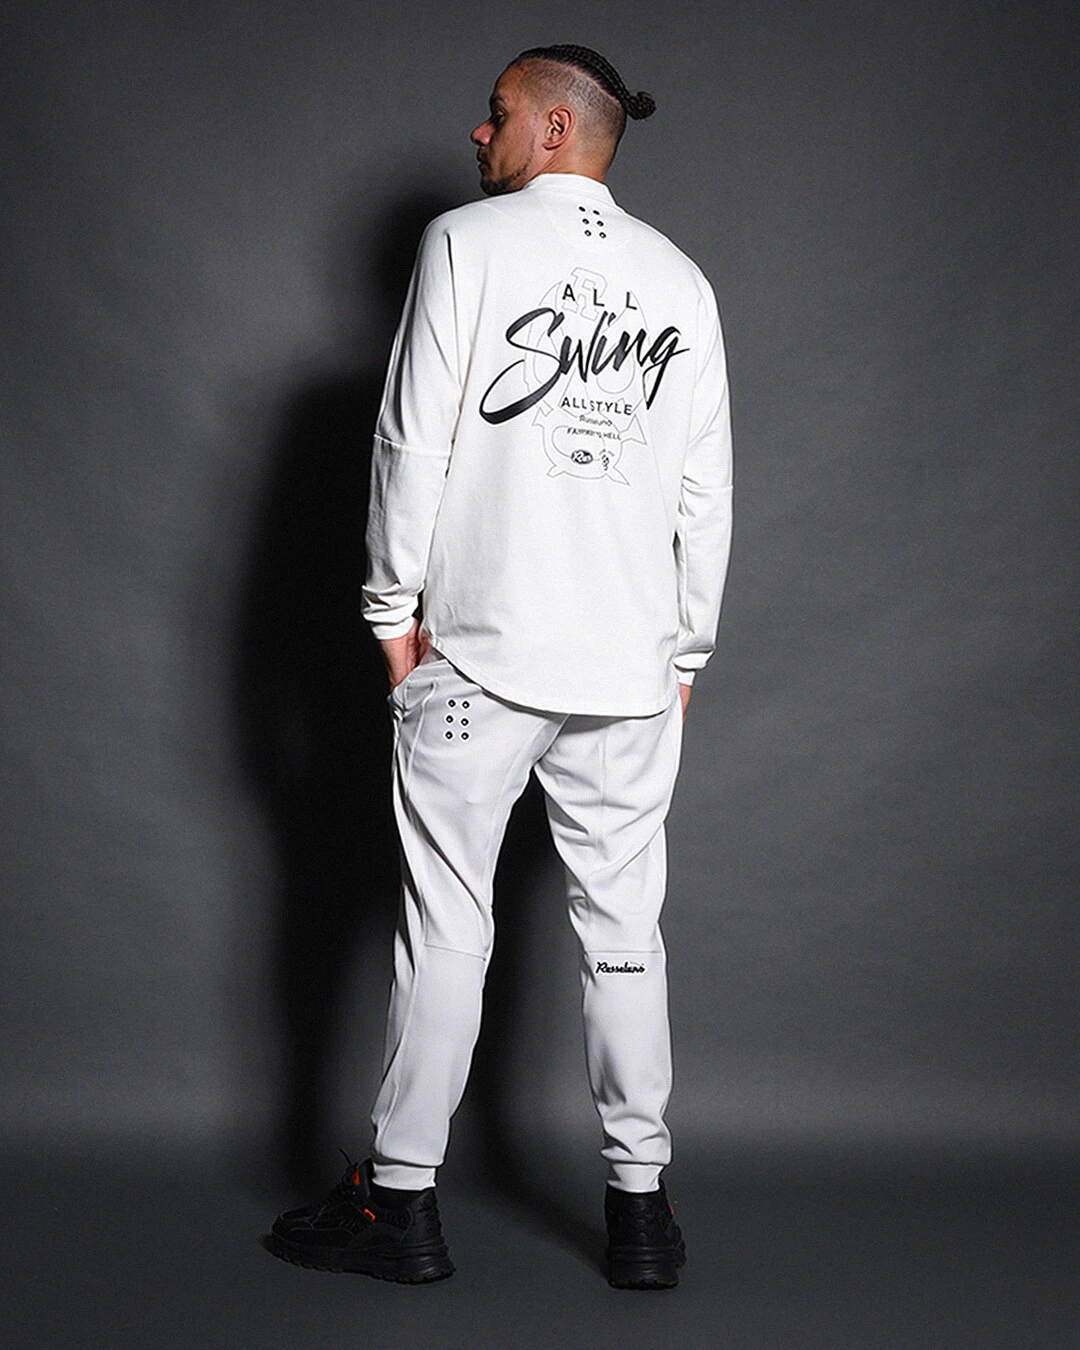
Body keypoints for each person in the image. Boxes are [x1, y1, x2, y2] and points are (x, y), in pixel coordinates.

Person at [268, 43, 733, 1290]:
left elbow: (409, 440)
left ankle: (400, 1203)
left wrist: (390, 620)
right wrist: (684, 648)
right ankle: (642, 1214)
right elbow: (707, 491)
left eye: (497, 113)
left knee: (446, 927)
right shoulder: (680, 280)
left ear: (556, 129)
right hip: (629, 670)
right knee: (626, 936)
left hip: (480, 657)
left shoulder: (464, 247)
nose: (479, 134)